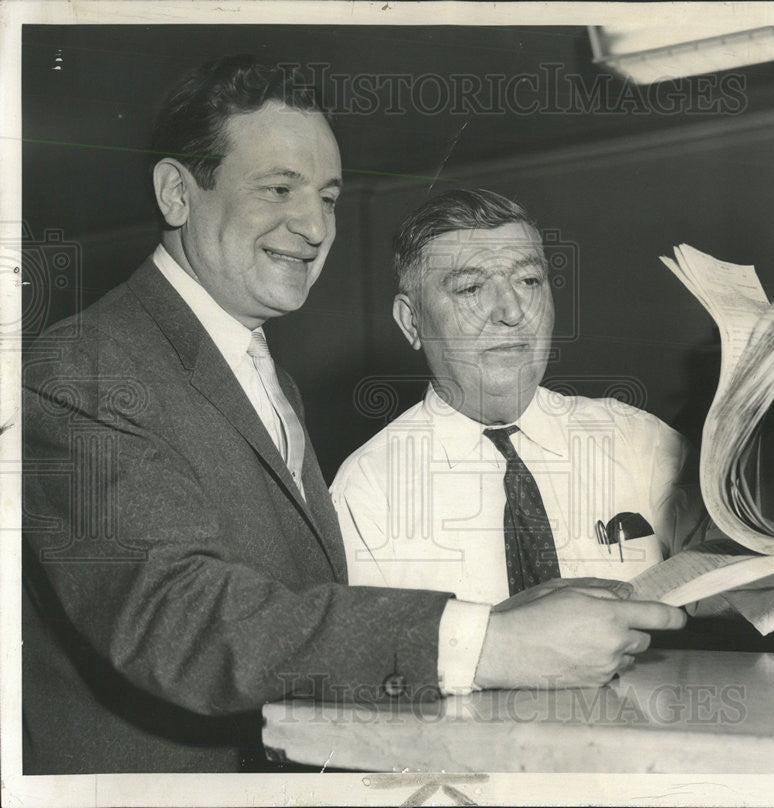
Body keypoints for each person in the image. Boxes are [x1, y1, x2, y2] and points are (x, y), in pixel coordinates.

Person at [21, 57, 687, 775]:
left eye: (330, 197)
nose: (313, 226)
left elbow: (298, 610)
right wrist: (491, 642)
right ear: (177, 193)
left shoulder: (260, 375)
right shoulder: (87, 365)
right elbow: (176, 619)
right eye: (280, 188)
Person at [330, 189, 774, 634]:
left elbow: (762, 582)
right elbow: (374, 670)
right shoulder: (369, 488)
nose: (511, 311)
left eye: (529, 281)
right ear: (411, 321)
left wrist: (772, 440)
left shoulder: (630, 437)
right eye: (470, 288)